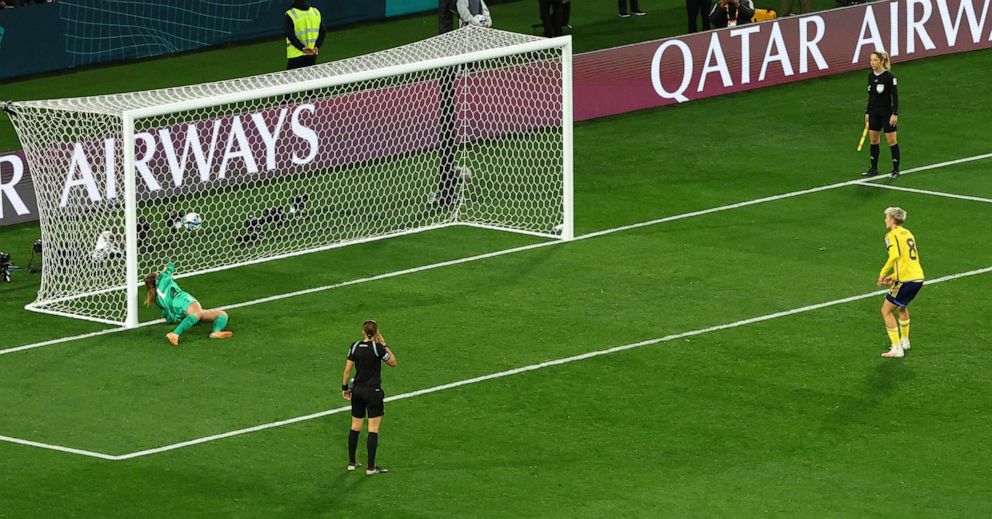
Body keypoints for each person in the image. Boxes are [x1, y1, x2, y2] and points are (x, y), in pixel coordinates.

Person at [342, 320, 397, 475]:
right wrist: (384, 343)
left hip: (357, 391)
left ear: (363, 332)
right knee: (373, 429)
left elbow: (347, 370)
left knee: (355, 427)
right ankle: (371, 468)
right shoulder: (377, 348)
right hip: (373, 392)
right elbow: (393, 362)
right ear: (376, 332)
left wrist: (345, 388)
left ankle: (352, 463)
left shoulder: (354, 346)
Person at [144, 262, 233, 347]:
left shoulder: (157, 299)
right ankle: (175, 333)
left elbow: (168, 316)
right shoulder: (163, 277)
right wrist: (164, 270)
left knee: (221, 314)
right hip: (181, 299)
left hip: (178, 310)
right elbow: (171, 265)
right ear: (156, 278)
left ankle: (215, 332)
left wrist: (176, 319)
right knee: (197, 311)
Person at [875, 207, 924, 359]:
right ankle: (905, 341)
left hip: (905, 280)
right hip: (917, 278)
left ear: (892, 220)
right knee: (902, 307)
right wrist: (894, 276)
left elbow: (894, 256)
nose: (885, 220)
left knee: (886, 310)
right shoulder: (907, 233)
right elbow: (907, 260)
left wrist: (882, 274)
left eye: (887, 217)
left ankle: (896, 348)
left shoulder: (891, 235)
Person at [861, 51, 901, 179]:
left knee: (892, 141)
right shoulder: (870, 76)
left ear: (881, 61)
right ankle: (873, 168)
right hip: (874, 113)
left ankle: (895, 170)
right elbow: (871, 97)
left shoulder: (889, 77)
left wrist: (895, 114)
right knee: (873, 141)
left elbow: (895, 97)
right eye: (871, 60)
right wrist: (867, 112)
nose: (872, 63)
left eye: (875, 60)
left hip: (886, 113)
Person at [284, 0, 326, 71]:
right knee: (309, 78)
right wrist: (316, 46)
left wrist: (303, 48)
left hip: (295, 55)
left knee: (292, 80)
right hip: (312, 54)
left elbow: (290, 35)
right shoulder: (315, 12)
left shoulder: (290, 14)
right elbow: (323, 31)